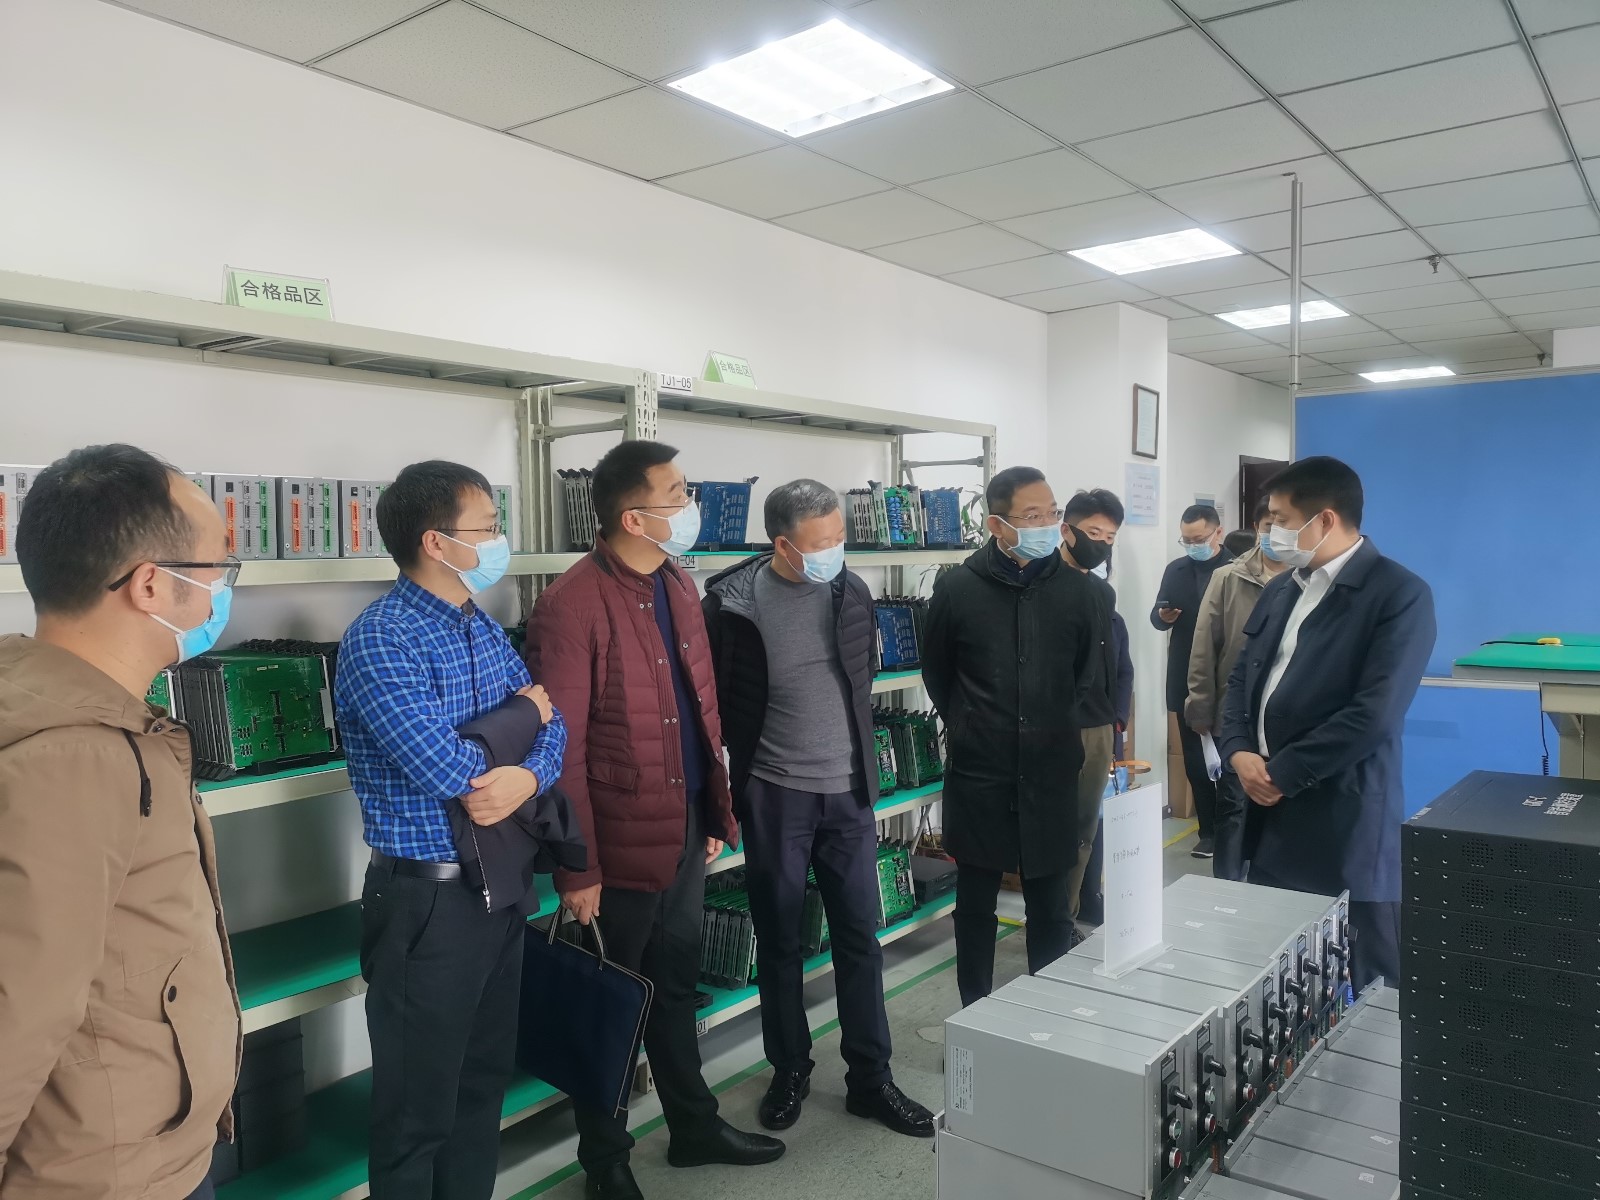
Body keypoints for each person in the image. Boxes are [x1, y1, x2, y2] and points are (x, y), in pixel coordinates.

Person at [528, 441, 783, 1200]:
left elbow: (700, 712)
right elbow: (561, 749)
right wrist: (577, 865)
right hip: (614, 845)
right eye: (678, 494)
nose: (691, 505)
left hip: (681, 827)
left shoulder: (676, 581)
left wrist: (716, 808)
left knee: (675, 988)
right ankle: (605, 1161)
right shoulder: (571, 605)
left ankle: (693, 1127)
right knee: (607, 1007)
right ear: (634, 517)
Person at [0, 444, 239, 1200]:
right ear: (150, 585)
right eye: (217, 567)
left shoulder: (105, 721)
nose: (223, 589)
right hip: (106, 1177)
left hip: (149, 1150)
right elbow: (20, 1013)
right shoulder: (73, 757)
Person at [335, 460, 568, 1200]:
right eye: (488, 528)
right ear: (436, 541)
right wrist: (522, 724)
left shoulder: (481, 628)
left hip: (497, 888)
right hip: (426, 904)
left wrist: (526, 776)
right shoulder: (382, 639)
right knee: (417, 1115)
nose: (499, 541)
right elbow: (445, 767)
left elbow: (554, 724)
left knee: (479, 1092)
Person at [702, 480, 935, 1138]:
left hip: (849, 796)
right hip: (775, 795)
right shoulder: (731, 605)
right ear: (782, 545)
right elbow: (712, 704)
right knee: (779, 941)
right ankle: (790, 1069)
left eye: (839, 538)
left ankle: (871, 1079)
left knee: (860, 938)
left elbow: (860, 681)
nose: (835, 551)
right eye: (821, 543)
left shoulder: (849, 591)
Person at [1217, 457, 1434, 992]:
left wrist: (1282, 773)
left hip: (1342, 813)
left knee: (1364, 976)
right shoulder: (1283, 589)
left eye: (1280, 519)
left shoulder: (1397, 594)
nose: (1271, 531)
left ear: (1326, 520)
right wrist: (1238, 750)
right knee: (1280, 970)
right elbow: (1242, 678)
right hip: (1265, 810)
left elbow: (1374, 713)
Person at [923, 466, 1098, 1007]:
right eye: (1032, 516)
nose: (1047, 525)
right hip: (981, 770)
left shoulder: (1081, 592)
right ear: (998, 525)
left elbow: (1082, 675)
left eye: (1052, 513)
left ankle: (1046, 1014)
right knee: (976, 901)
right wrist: (972, 724)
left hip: (1050, 768)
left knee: (1050, 904)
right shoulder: (957, 588)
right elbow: (938, 673)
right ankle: (974, 1011)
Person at [1187, 499, 1290, 880]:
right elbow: (1204, 647)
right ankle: (1227, 890)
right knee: (1233, 805)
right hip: (1236, 714)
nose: (1275, 534)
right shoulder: (1228, 578)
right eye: (1268, 525)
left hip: (1287, 716)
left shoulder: (1308, 579)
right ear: (1257, 527)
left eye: (1284, 524)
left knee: (1282, 806)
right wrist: (1201, 707)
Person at [1058, 489, 1134, 927]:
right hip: (1052, 726)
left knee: (1085, 829)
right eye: (1093, 533)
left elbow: (1118, 665)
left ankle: (1067, 919)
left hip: (1097, 727)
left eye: (1109, 537)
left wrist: (1115, 721)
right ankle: (1051, 920)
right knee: (1053, 830)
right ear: (1066, 530)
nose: (1102, 544)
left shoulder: (1103, 594)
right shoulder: (1039, 586)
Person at [1151, 504, 1234, 859]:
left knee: (1231, 758)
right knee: (1195, 760)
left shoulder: (1237, 569)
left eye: (1198, 539)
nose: (1192, 546)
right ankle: (1208, 833)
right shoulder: (1176, 569)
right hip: (1185, 676)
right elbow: (1157, 617)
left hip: (1227, 677)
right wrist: (1163, 616)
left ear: (1218, 532)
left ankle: (1234, 832)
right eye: (1186, 540)